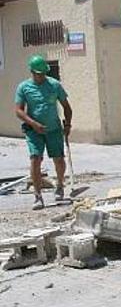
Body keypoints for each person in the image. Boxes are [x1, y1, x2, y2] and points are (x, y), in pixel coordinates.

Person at [14, 55, 72, 210]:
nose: (41, 76)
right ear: (32, 72)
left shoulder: (54, 85)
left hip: (53, 129)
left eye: (43, 73)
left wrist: (68, 125)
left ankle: (60, 185)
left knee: (58, 159)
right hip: (34, 130)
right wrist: (33, 124)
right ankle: (38, 196)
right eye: (38, 73)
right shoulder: (24, 87)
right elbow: (18, 111)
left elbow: (67, 107)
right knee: (35, 159)